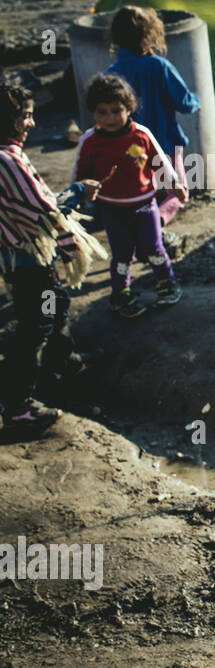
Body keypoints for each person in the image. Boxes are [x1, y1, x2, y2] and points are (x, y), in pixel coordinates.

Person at [0, 85, 103, 436]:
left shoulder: (10, 154)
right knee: (35, 327)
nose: (30, 123)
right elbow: (45, 211)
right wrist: (77, 191)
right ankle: (17, 406)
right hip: (27, 258)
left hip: (25, 255)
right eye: (24, 116)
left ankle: (63, 365)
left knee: (56, 303)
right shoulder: (7, 161)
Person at [74, 74, 185, 319]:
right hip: (112, 209)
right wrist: (80, 195)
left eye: (116, 110)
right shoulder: (90, 142)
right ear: (93, 112)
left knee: (154, 248)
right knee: (122, 255)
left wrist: (174, 184)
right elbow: (79, 175)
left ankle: (167, 283)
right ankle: (121, 294)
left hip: (145, 204)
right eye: (102, 112)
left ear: (129, 108)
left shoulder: (141, 135)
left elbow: (159, 162)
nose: (110, 118)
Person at [106, 6, 200, 226]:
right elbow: (184, 102)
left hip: (129, 147)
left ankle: (142, 226)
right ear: (150, 34)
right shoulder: (159, 66)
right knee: (178, 192)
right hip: (164, 142)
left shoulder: (112, 72)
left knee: (142, 192)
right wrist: (197, 102)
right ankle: (154, 222)